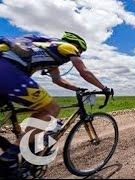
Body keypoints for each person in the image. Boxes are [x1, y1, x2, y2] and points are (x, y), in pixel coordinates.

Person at [0, 32, 110, 177]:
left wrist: (77, 89)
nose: (79, 54)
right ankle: (10, 157)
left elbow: (58, 80)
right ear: (77, 45)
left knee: (36, 111)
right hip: (8, 71)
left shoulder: (49, 51)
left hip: (6, 69)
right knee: (52, 108)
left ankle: (24, 149)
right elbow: (84, 72)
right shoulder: (68, 46)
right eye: (81, 51)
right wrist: (104, 88)